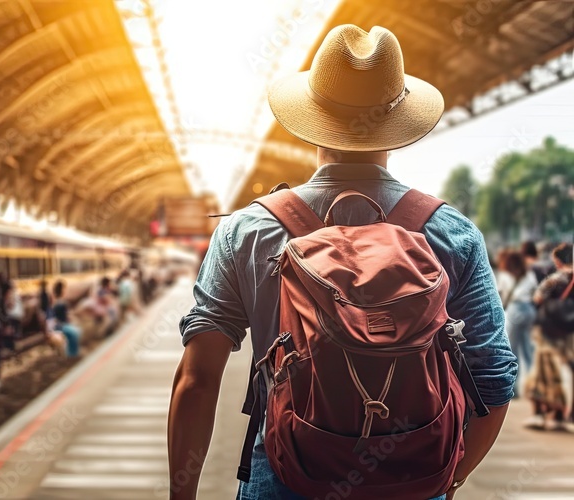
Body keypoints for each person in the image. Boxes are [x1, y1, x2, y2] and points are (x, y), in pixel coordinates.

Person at [170, 25, 516, 500]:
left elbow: (198, 379)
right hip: (413, 478)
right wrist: (446, 482)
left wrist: (181, 495)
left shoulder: (246, 231)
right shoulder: (450, 233)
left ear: (312, 119)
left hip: (285, 475)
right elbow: (494, 378)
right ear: (398, 125)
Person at [528, 243, 574, 429]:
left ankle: (546, 413)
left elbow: (537, 298)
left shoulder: (555, 279)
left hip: (550, 330)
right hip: (571, 331)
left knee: (545, 370)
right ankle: (568, 415)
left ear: (558, 261)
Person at [502, 250, 538, 382]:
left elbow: (503, 295)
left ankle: (514, 386)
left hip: (515, 310)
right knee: (527, 347)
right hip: (529, 309)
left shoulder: (506, 275)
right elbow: (535, 290)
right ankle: (533, 382)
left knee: (513, 349)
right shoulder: (529, 274)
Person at [52, 280, 81, 358]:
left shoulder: (57, 302)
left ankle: (72, 352)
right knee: (75, 332)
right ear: (61, 290)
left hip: (61, 324)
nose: (65, 291)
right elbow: (64, 317)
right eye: (64, 289)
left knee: (76, 330)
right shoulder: (60, 302)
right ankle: (72, 353)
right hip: (61, 325)